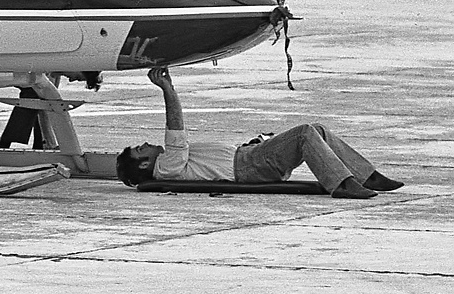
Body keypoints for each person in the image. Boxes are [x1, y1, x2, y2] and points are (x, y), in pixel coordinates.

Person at [116, 66, 402, 199]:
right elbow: (175, 126)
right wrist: (167, 89)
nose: (145, 144)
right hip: (249, 167)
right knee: (305, 133)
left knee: (317, 130)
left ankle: (366, 175)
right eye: (141, 149)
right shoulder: (165, 168)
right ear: (144, 164)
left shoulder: (170, 163)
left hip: (250, 159)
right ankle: (342, 184)